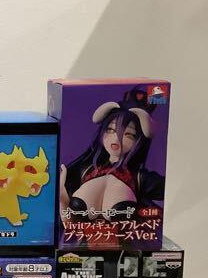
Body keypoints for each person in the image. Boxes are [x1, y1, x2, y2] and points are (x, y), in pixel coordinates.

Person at [59, 88, 165, 226]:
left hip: (126, 240)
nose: (116, 138)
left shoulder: (140, 178)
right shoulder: (86, 170)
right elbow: (69, 224)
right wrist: (62, 198)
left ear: (138, 141)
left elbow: (169, 190)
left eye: (128, 134)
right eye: (110, 130)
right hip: (81, 239)